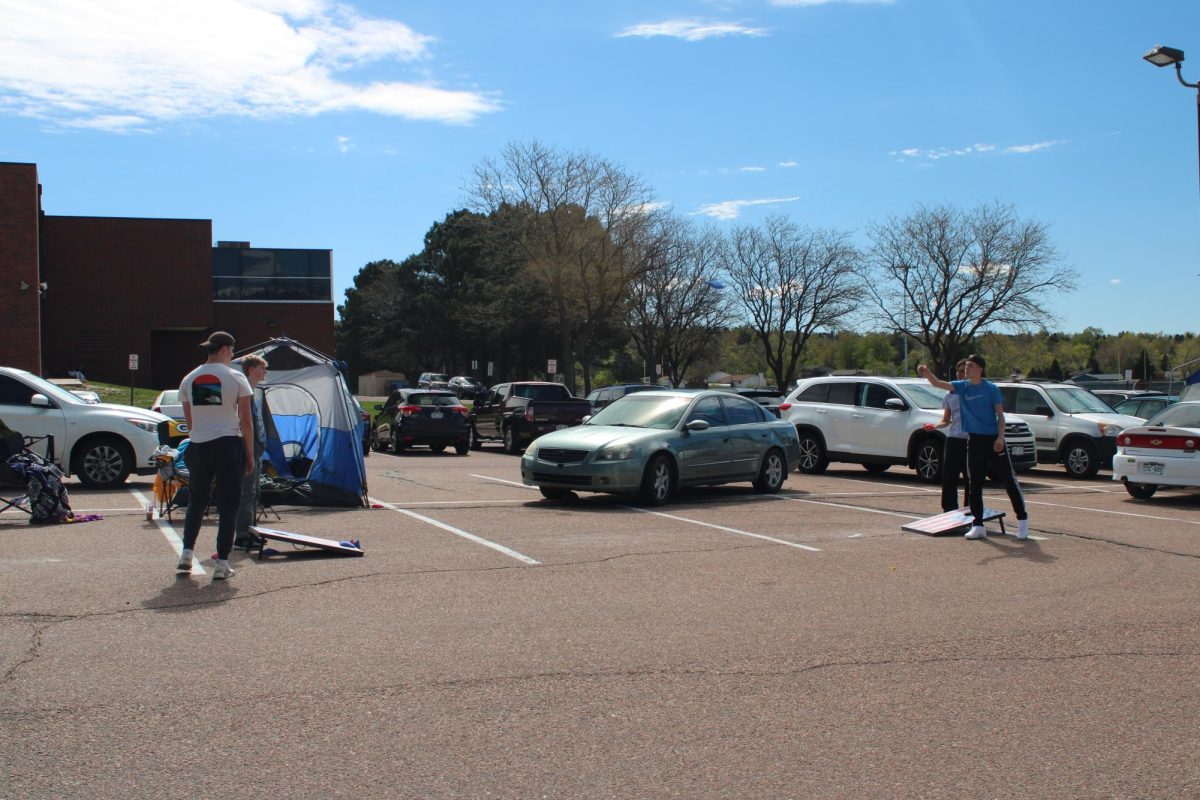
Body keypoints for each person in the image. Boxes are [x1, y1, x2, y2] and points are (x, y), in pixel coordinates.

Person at [916, 354, 1029, 541]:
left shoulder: (991, 389)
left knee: (1008, 480)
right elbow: (937, 384)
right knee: (975, 483)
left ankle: (1022, 519)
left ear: (980, 369)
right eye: (966, 366)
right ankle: (978, 524)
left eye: (970, 366)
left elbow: (1000, 416)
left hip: (993, 440)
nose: (967, 369)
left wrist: (1001, 437)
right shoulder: (962, 387)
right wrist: (927, 372)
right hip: (974, 440)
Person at [176, 332, 254, 579]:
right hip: (229, 443)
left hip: (199, 445)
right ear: (223, 349)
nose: (232, 356)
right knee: (229, 503)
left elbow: (189, 421)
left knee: (197, 501)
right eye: (231, 351)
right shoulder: (236, 377)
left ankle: (186, 553)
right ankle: (221, 563)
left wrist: (201, 434)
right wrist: (250, 454)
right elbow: (246, 420)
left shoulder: (189, 378)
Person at [233, 354, 268, 550]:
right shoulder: (244, 392)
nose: (265, 372)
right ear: (252, 369)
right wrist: (248, 453)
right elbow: (245, 423)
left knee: (254, 493)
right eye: (262, 368)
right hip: (248, 450)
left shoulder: (254, 391)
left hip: (257, 450)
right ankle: (242, 536)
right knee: (247, 493)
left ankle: (251, 531)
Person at [928, 359, 970, 513]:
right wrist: (935, 426)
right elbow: (946, 419)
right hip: (954, 438)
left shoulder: (975, 391)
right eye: (959, 371)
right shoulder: (950, 395)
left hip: (971, 440)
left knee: (970, 478)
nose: (961, 375)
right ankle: (949, 510)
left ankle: (970, 510)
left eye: (965, 372)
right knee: (949, 476)